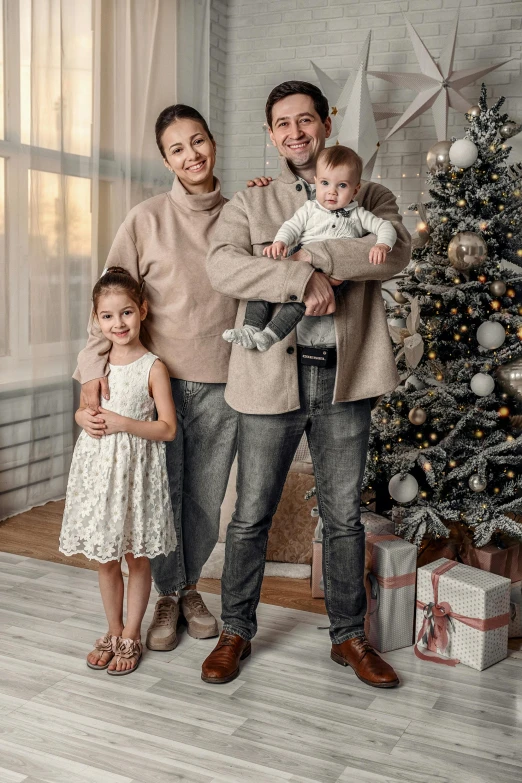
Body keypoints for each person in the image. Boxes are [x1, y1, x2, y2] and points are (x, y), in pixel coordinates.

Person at [204, 81, 411, 688]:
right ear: (271, 136)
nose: (295, 132)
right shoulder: (252, 200)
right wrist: (299, 282)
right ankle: (234, 630)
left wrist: (309, 262)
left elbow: (396, 254)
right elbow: (222, 265)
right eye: (282, 124)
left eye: (305, 120)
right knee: (250, 515)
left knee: (344, 516)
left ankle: (349, 637)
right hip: (271, 376)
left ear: (326, 123)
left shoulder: (371, 193)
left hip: (344, 381)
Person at [73, 105, 240, 652]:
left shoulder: (242, 214)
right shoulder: (144, 220)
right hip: (155, 387)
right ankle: (168, 594)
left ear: (213, 143)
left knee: (204, 499)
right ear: (165, 159)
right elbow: (110, 298)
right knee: (159, 498)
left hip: (222, 383)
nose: (191, 155)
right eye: (177, 148)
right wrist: (88, 378)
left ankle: (188, 588)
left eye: (198, 141)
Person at [60, 268, 177, 675]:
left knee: (135, 555)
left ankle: (131, 632)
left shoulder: (153, 367)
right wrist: (81, 419)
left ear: (142, 310)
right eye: (107, 317)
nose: (118, 324)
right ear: (97, 320)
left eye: (126, 313)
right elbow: (83, 409)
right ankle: (111, 630)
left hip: (136, 472)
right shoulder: (96, 366)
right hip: (99, 472)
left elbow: (167, 427)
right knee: (106, 557)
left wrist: (124, 423)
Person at [223, 144, 396, 352]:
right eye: (325, 183)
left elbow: (385, 226)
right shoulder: (310, 208)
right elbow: (292, 226)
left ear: (355, 189)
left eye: (342, 186)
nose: (331, 192)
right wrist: (280, 242)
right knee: (266, 280)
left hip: (332, 271)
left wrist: (382, 245)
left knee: (299, 302)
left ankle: (271, 334)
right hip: (297, 253)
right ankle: (251, 327)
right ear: (316, 183)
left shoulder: (359, 214)